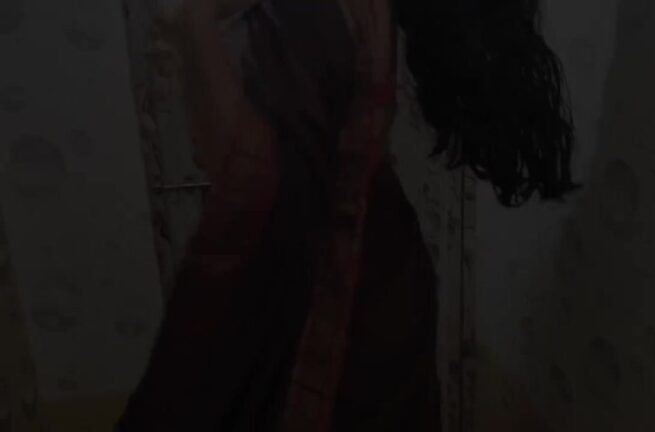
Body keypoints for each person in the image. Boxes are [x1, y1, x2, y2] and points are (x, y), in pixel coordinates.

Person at [117, 0, 575, 430]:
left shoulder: (304, 13)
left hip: (329, 307)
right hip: (381, 279)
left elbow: (247, 171)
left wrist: (193, 26)